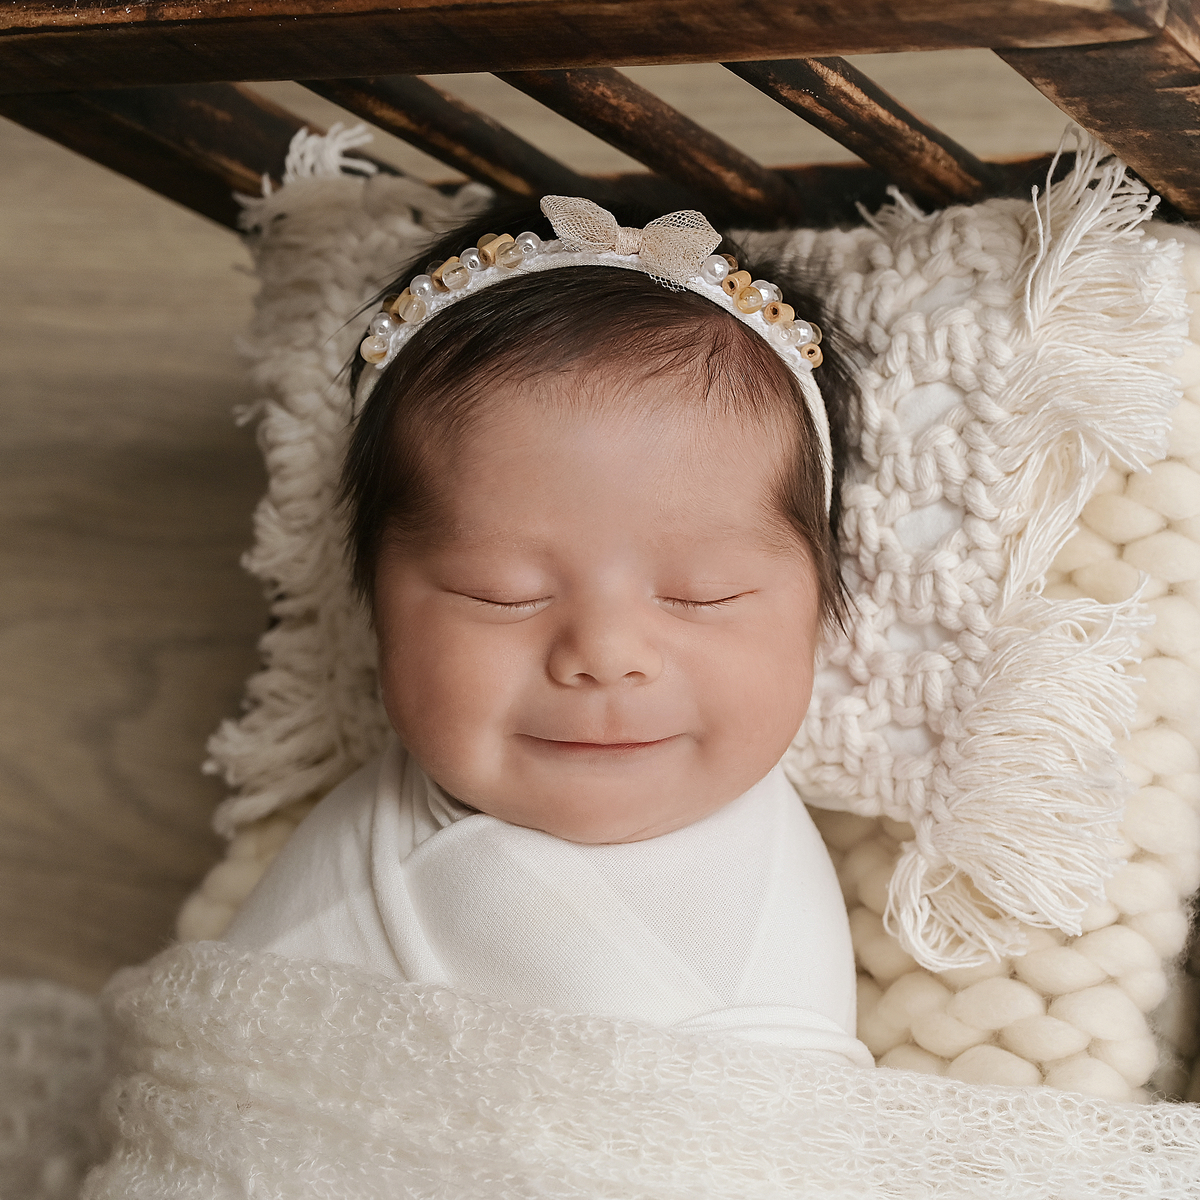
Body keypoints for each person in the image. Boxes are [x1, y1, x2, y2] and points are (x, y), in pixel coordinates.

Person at [223, 194, 873, 1068]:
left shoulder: (755, 995)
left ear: (821, 611)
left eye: (703, 595)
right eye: (501, 593)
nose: (604, 656)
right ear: (372, 604)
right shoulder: (407, 803)